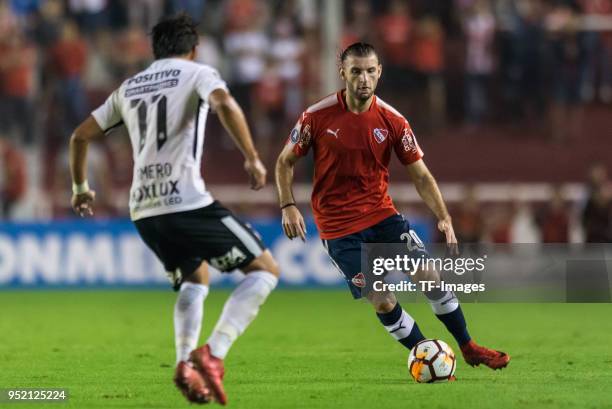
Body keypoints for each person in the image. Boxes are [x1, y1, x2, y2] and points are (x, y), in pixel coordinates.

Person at [69, 14, 280, 405]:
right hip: (185, 200)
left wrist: (81, 188)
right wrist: (251, 157)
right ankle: (213, 355)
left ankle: (184, 363)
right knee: (264, 272)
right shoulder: (199, 73)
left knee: (195, 278)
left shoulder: (129, 87)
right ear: (194, 48)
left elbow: (80, 135)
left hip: (144, 210)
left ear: (156, 50)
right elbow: (226, 104)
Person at [275, 42, 509, 374]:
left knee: (429, 276)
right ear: (342, 73)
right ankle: (428, 356)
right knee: (383, 299)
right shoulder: (316, 116)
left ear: (379, 72)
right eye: (356, 71)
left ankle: (468, 346)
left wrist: (444, 217)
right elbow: (284, 162)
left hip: (382, 216)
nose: (363, 79)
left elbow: (422, 176)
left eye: (370, 71)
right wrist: (288, 205)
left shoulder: (393, 120)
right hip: (338, 226)